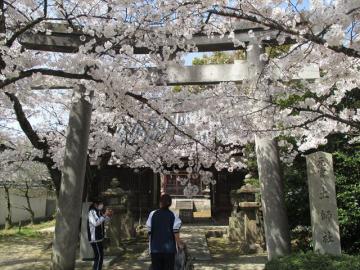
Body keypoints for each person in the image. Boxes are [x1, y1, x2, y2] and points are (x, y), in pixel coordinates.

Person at [146, 194, 183, 270]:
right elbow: (175, 232)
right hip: (169, 250)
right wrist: (180, 244)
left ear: (160, 202)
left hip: (155, 248)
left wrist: (150, 245)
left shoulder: (152, 214)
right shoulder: (174, 215)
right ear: (170, 204)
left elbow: (149, 231)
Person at [87, 199, 112, 270]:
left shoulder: (99, 212)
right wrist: (104, 215)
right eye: (100, 203)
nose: (102, 205)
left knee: (99, 257)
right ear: (95, 204)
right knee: (99, 256)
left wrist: (109, 216)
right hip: (95, 238)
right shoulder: (92, 212)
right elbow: (96, 223)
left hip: (99, 238)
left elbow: (105, 221)